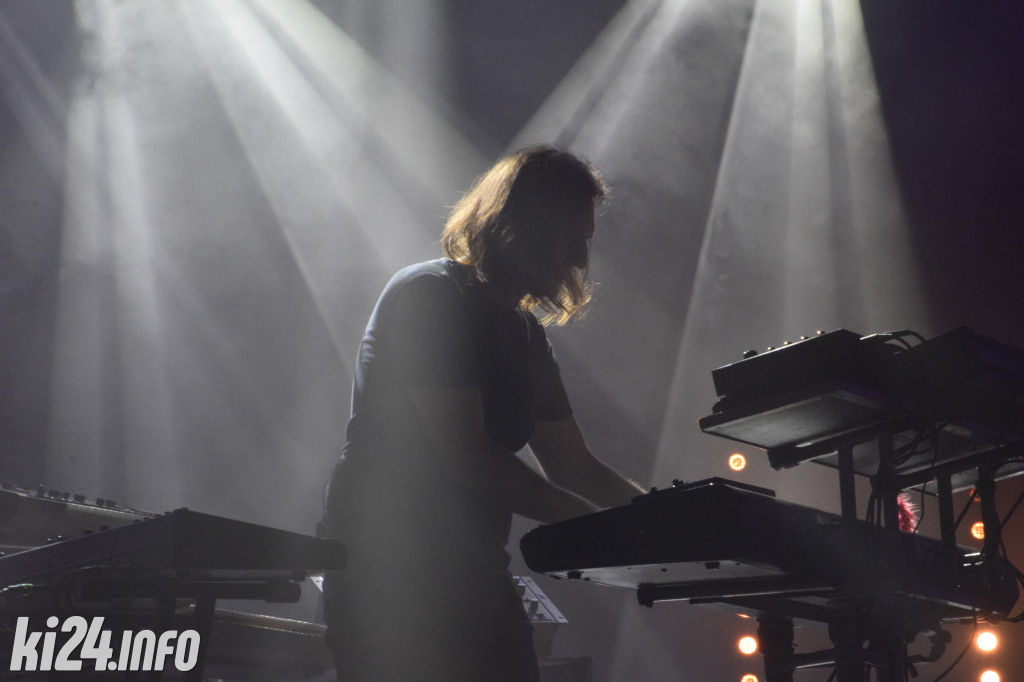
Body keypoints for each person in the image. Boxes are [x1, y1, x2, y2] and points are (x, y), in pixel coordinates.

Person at [320, 145, 644, 682]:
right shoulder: (430, 296)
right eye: (573, 239)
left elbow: (576, 467)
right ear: (526, 226)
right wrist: (596, 525)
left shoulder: (525, 333)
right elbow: (466, 455)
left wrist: (667, 519)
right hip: (388, 568)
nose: (581, 261)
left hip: (472, 570)